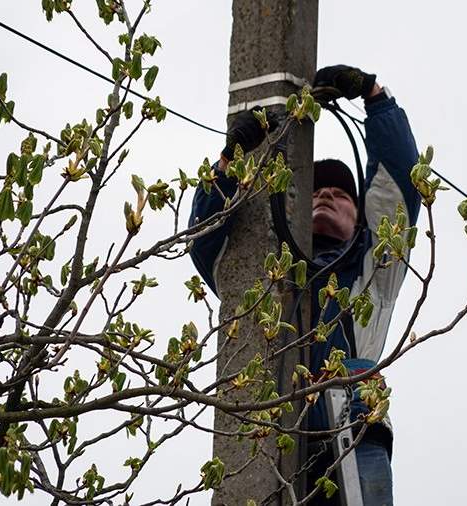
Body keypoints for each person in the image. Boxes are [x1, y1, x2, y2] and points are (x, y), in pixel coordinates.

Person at [189, 64, 420, 505]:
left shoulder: (372, 269)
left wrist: (374, 96)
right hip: (268, 439)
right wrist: (230, 163)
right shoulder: (267, 275)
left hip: (347, 431)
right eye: (315, 192)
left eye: (340, 195)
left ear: (361, 218)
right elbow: (206, 235)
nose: (325, 196)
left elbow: (398, 185)